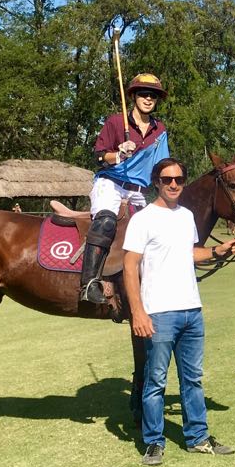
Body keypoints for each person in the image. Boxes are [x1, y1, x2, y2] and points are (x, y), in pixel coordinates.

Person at [123, 157, 235, 466]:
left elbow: (190, 253)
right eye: (167, 179)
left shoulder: (186, 216)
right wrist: (138, 312)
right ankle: (153, 442)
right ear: (156, 182)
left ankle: (198, 438)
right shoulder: (143, 219)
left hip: (192, 311)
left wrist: (217, 250)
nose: (173, 184)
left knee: (193, 380)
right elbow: (129, 266)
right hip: (159, 313)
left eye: (178, 179)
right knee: (156, 381)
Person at [81, 73, 170, 304]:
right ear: (133, 96)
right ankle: (89, 283)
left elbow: (162, 166)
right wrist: (118, 154)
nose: (148, 99)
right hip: (110, 184)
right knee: (106, 221)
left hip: (139, 191)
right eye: (143, 94)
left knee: (156, 230)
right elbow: (99, 157)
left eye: (153, 96)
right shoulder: (115, 122)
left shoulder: (159, 131)